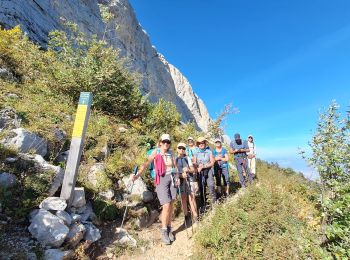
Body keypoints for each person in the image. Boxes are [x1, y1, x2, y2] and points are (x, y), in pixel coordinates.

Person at [131, 134, 179, 245]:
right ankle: (163, 230)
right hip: (161, 179)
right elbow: (146, 163)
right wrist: (137, 175)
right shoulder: (156, 152)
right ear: (160, 142)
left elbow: (175, 166)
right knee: (166, 205)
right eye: (164, 141)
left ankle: (169, 227)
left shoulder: (171, 152)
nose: (166, 143)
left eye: (168, 141)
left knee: (171, 204)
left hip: (172, 179)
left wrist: (177, 177)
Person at [176, 142, 199, 226]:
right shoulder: (174, 159)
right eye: (180, 148)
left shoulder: (187, 158)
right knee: (183, 199)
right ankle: (186, 217)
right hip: (181, 181)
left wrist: (188, 170)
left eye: (183, 148)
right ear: (177, 149)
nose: (181, 150)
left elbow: (193, 170)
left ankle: (195, 216)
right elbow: (173, 172)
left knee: (191, 198)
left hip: (189, 180)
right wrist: (181, 175)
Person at [194, 137, 216, 213]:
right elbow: (194, 163)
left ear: (205, 143)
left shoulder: (209, 151)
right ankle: (203, 205)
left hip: (208, 170)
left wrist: (204, 166)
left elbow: (212, 162)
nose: (201, 144)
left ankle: (214, 204)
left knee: (211, 185)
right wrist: (197, 166)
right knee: (201, 188)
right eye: (199, 143)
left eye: (202, 143)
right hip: (200, 172)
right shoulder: (196, 153)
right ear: (198, 144)